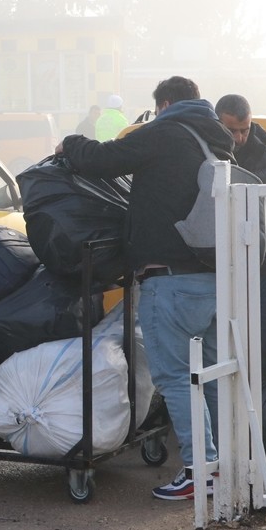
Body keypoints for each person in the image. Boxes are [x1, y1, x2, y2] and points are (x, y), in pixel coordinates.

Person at [56, 75, 234, 501]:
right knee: (207, 376)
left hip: (168, 282)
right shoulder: (216, 140)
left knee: (175, 379)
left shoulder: (167, 131)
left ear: (165, 103)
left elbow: (104, 159)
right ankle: (218, 466)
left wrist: (70, 143)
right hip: (211, 280)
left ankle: (197, 470)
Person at [214, 94, 266, 377]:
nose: (239, 138)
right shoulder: (206, 151)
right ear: (218, 124)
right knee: (220, 348)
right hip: (219, 267)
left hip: (265, 265)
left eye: (244, 129)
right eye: (232, 131)